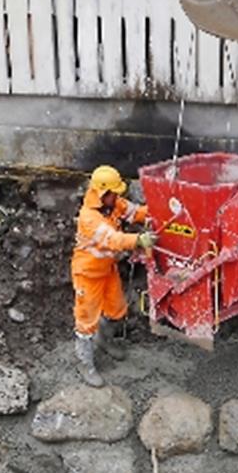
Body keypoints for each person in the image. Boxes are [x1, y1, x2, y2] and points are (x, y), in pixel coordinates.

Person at [71, 164, 157, 388]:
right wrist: (138, 240)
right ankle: (85, 364)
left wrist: (158, 212)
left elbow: (135, 212)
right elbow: (112, 239)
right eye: (115, 193)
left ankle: (104, 341)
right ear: (103, 193)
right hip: (87, 274)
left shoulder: (114, 204)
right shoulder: (88, 218)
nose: (119, 196)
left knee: (116, 309)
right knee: (86, 320)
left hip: (107, 269)